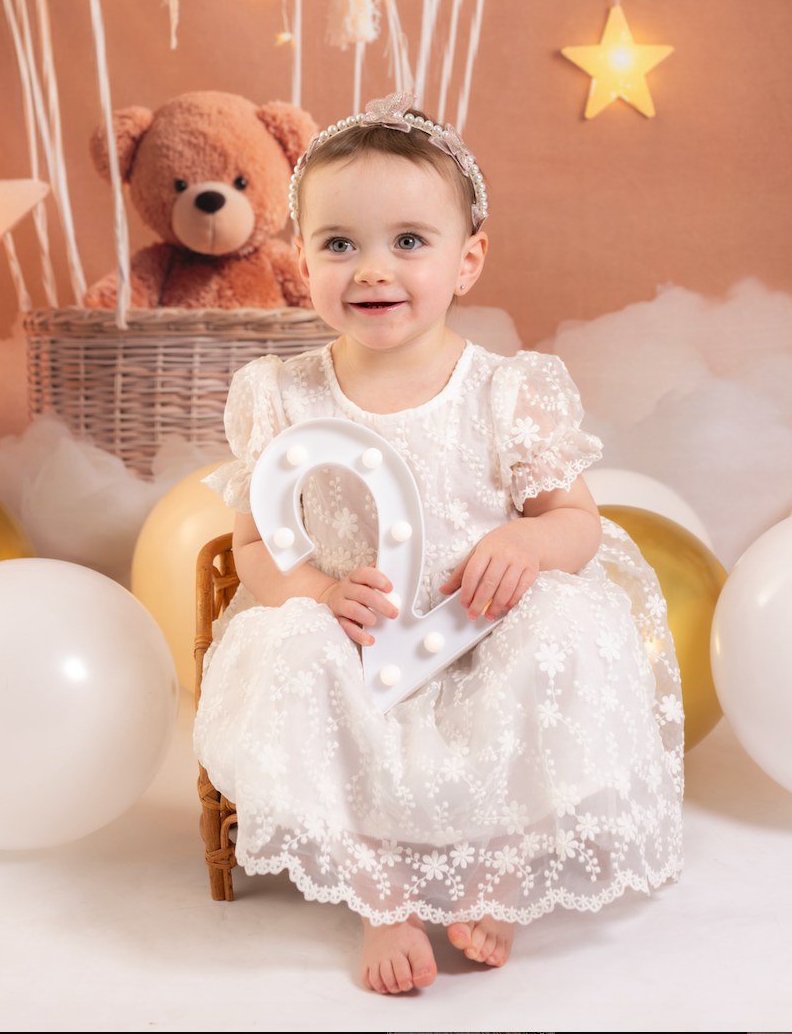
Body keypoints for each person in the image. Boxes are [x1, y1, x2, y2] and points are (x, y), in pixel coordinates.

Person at [195, 93, 683, 995]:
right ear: (300, 262)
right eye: (339, 243)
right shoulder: (280, 394)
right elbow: (253, 547)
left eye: (409, 242)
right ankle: (380, 897)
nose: (373, 269)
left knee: (573, 627)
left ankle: (500, 877)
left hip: (478, 639)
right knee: (281, 646)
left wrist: (531, 545)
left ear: (469, 260)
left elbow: (578, 521)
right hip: (360, 651)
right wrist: (310, 592)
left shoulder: (507, 391)